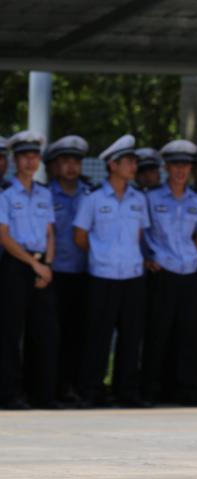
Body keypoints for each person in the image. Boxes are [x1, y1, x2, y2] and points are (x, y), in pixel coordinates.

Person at [73, 134, 150, 407]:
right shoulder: (93, 197)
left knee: (131, 337)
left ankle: (126, 391)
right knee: (98, 335)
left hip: (131, 275)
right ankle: (91, 390)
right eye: (128, 161)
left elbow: (139, 233)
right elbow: (80, 235)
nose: (133, 165)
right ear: (113, 165)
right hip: (102, 275)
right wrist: (101, 255)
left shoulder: (138, 199)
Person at [141, 140, 197, 405]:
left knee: (188, 334)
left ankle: (187, 390)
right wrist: (150, 255)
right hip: (163, 272)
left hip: (188, 271)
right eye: (175, 166)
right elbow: (141, 232)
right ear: (167, 168)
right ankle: (150, 389)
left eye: (185, 166)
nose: (181, 171)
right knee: (158, 333)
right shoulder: (151, 198)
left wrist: (188, 249)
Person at [0, 131, 59, 409]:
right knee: (12, 333)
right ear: (15, 160)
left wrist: (46, 265)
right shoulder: (7, 195)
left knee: (44, 332)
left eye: (34, 156)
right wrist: (34, 264)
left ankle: (43, 393)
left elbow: (50, 233)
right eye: (25, 156)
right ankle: (11, 393)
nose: (30, 162)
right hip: (17, 265)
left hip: (42, 267)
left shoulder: (45, 194)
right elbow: (4, 236)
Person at [48, 135, 91, 403]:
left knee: (80, 333)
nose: (71, 167)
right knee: (51, 334)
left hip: (85, 272)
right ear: (54, 166)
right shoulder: (44, 194)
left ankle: (74, 386)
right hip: (54, 273)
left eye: (76, 161)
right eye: (65, 161)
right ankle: (48, 385)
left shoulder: (91, 193)